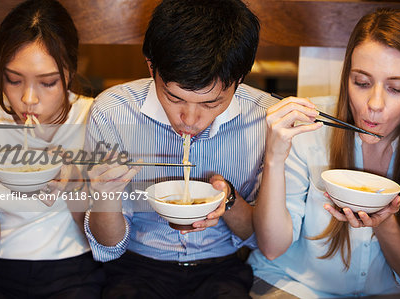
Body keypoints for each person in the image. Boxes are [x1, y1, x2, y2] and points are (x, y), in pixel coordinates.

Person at [83, 0, 266, 297]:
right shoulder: (113, 112)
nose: (190, 120)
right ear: (151, 66)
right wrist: (106, 195)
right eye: (174, 98)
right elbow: (109, 246)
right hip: (136, 267)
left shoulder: (265, 117)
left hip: (222, 269)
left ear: (239, 79)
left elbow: (262, 238)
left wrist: (229, 199)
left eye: (211, 103)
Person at [248, 8, 400, 298]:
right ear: (346, 77)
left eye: (396, 88)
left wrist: (385, 222)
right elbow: (273, 247)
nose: (374, 103)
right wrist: (274, 157)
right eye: (361, 82)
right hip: (292, 285)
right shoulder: (309, 129)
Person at [0, 0, 104, 298]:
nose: (28, 99)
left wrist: (74, 184)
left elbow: (102, 240)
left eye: (48, 83)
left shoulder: (94, 118)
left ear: (70, 71)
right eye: (13, 80)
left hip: (74, 265)